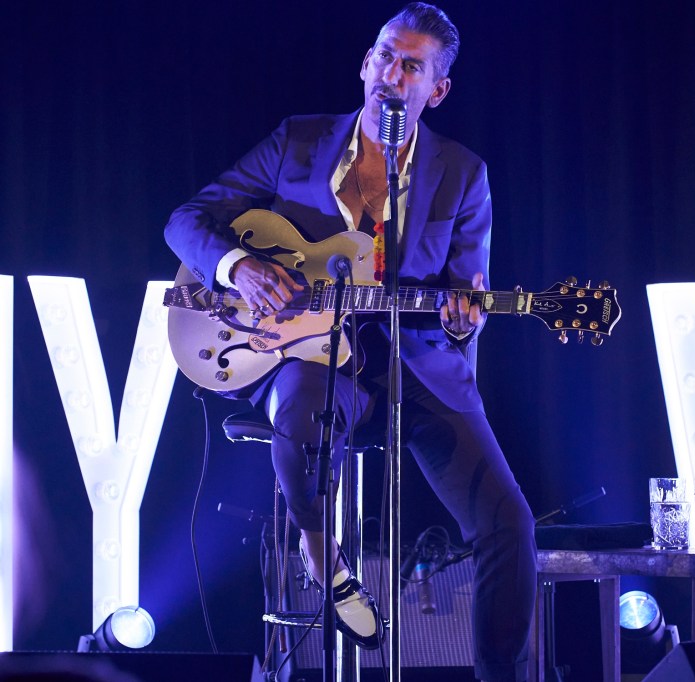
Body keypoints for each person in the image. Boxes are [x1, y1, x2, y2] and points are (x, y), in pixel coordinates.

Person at [164, 3, 536, 681]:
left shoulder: (463, 173)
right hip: (312, 354)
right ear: (366, 63)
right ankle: (323, 557)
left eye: (412, 66)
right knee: (300, 410)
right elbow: (186, 220)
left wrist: (462, 318)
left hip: (416, 365)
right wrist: (240, 268)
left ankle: (500, 674)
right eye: (385, 55)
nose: (393, 73)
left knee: (510, 522)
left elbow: (465, 294)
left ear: (437, 90)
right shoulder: (298, 142)